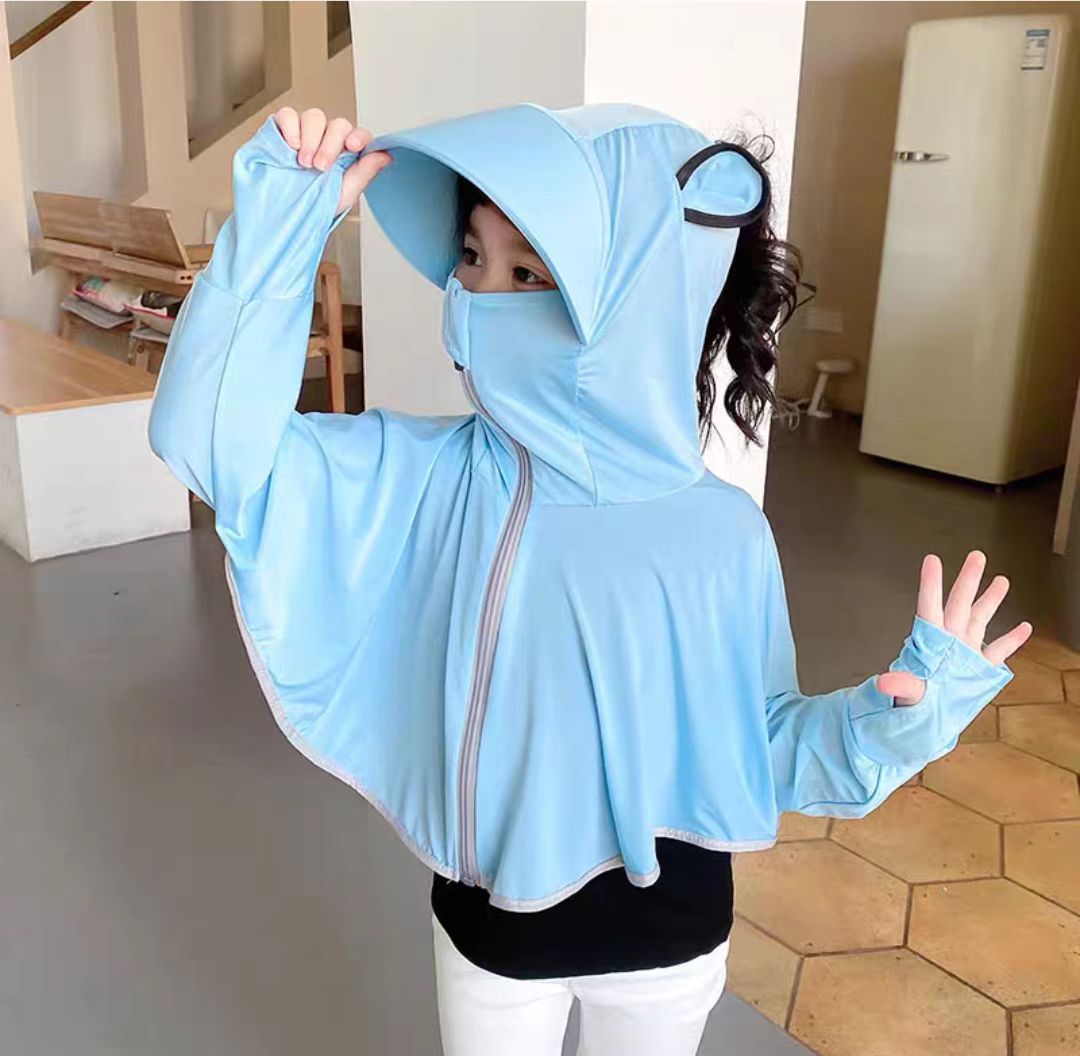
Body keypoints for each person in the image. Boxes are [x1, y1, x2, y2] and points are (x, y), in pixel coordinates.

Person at [148, 104, 1031, 1055]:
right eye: (472, 259)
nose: (478, 297)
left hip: (670, 942)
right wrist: (278, 233)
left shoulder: (723, 535)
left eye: (528, 273)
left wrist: (890, 726)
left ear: (633, 300)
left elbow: (764, 745)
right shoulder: (430, 476)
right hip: (494, 937)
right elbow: (210, 444)